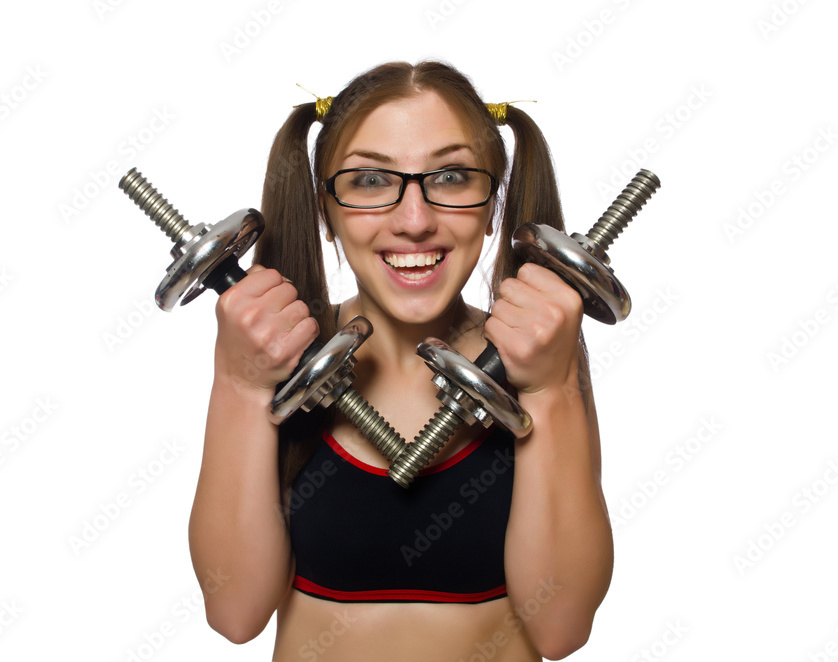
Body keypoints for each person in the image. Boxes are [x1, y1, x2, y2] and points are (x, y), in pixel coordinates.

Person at [188, 60, 613, 661]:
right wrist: (238, 384)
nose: (414, 221)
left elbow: (562, 626)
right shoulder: (267, 357)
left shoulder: (537, 357)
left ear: (494, 204)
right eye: (368, 181)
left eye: (453, 176)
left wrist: (550, 388)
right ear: (325, 212)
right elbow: (234, 614)